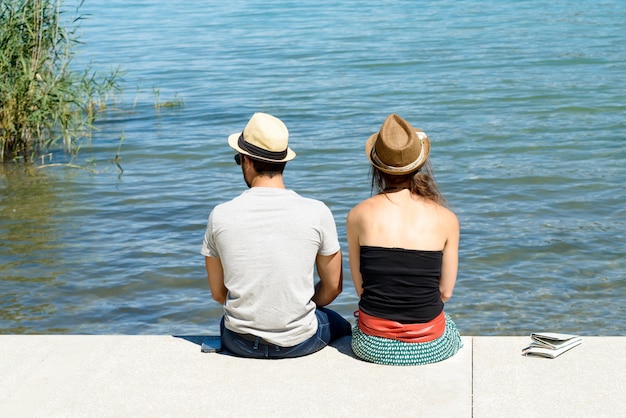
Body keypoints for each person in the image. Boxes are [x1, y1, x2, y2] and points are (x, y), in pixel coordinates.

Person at [201, 112, 351, 358]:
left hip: (239, 342)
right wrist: (293, 305)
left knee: (229, 323)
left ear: (248, 161)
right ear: (284, 162)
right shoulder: (317, 212)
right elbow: (333, 286)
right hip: (299, 342)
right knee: (341, 325)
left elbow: (218, 294)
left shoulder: (220, 215)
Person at [346, 114, 463, 365]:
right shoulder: (446, 218)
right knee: (449, 325)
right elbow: (446, 292)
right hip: (429, 345)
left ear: (377, 167)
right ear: (419, 165)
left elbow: (360, 289)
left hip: (372, 344)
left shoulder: (357, 215)